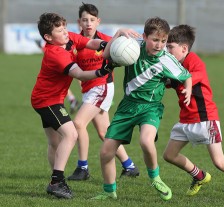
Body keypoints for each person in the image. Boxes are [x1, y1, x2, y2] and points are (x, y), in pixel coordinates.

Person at [31, 12, 139, 199]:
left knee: (55, 142)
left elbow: (91, 43)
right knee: (71, 133)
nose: (65, 32)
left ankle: (56, 180)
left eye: (65, 27)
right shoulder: (55, 53)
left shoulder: (68, 39)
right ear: (48, 37)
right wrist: (102, 71)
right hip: (46, 101)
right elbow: (80, 74)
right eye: (59, 30)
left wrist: (108, 44)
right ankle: (57, 182)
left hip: (51, 99)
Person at [91, 17, 192, 201]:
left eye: (163, 41)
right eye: (155, 40)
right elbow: (106, 55)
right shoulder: (132, 47)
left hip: (150, 107)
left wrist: (188, 90)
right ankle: (109, 191)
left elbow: (186, 76)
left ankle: (155, 178)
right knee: (106, 152)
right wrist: (119, 33)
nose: (159, 45)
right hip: (127, 107)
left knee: (146, 141)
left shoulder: (167, 60)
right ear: (144, 37)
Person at [162, 24, 224, 201]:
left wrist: (172, 78)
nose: (167, 50)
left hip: (205, 118)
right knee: (169, 155)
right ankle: (199, 176)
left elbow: (188, 77)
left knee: (219, 161)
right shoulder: (175, 63)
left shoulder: (195, 62)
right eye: (167, 47)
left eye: (170, 47)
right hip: (186, 119)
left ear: (184, 48)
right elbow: (168, 82)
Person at [67, 3, 139, 181]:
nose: (88, 23)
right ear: (79, 22)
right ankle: (129, 165)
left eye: (92, 20)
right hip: (88, 89)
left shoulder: (106, 39)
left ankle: (82, 168)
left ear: (98, 21)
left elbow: (112, 51)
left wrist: (118, 34)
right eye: (85, 20)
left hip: (102, 87)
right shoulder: (75, 42)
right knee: (104, 132)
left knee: (78, 123)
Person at [34, 39, 80, 114]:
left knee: (77, 78)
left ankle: (78, 99)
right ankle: (73, 100)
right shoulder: (52, 42)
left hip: (67, 61)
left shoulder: (67, 38)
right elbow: (49, 52)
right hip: (65, 61)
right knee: (63, 81)